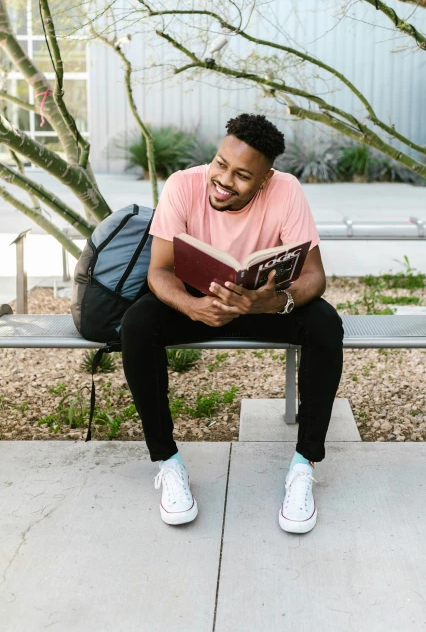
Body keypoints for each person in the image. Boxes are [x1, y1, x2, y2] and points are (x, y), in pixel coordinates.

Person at [121, 113, 344, 534]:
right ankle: (168, 463)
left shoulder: (287, 191)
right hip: (198, 304)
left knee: (326, 326)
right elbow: (160, 272)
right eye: (220, 164)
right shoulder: (182, 185)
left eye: (242, 175)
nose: (223, 179)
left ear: (264, 180)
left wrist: (275, 302)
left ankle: (304, 465)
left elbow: (315, 276)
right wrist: (192, 307)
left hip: (260, 305)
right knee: (137, 324)